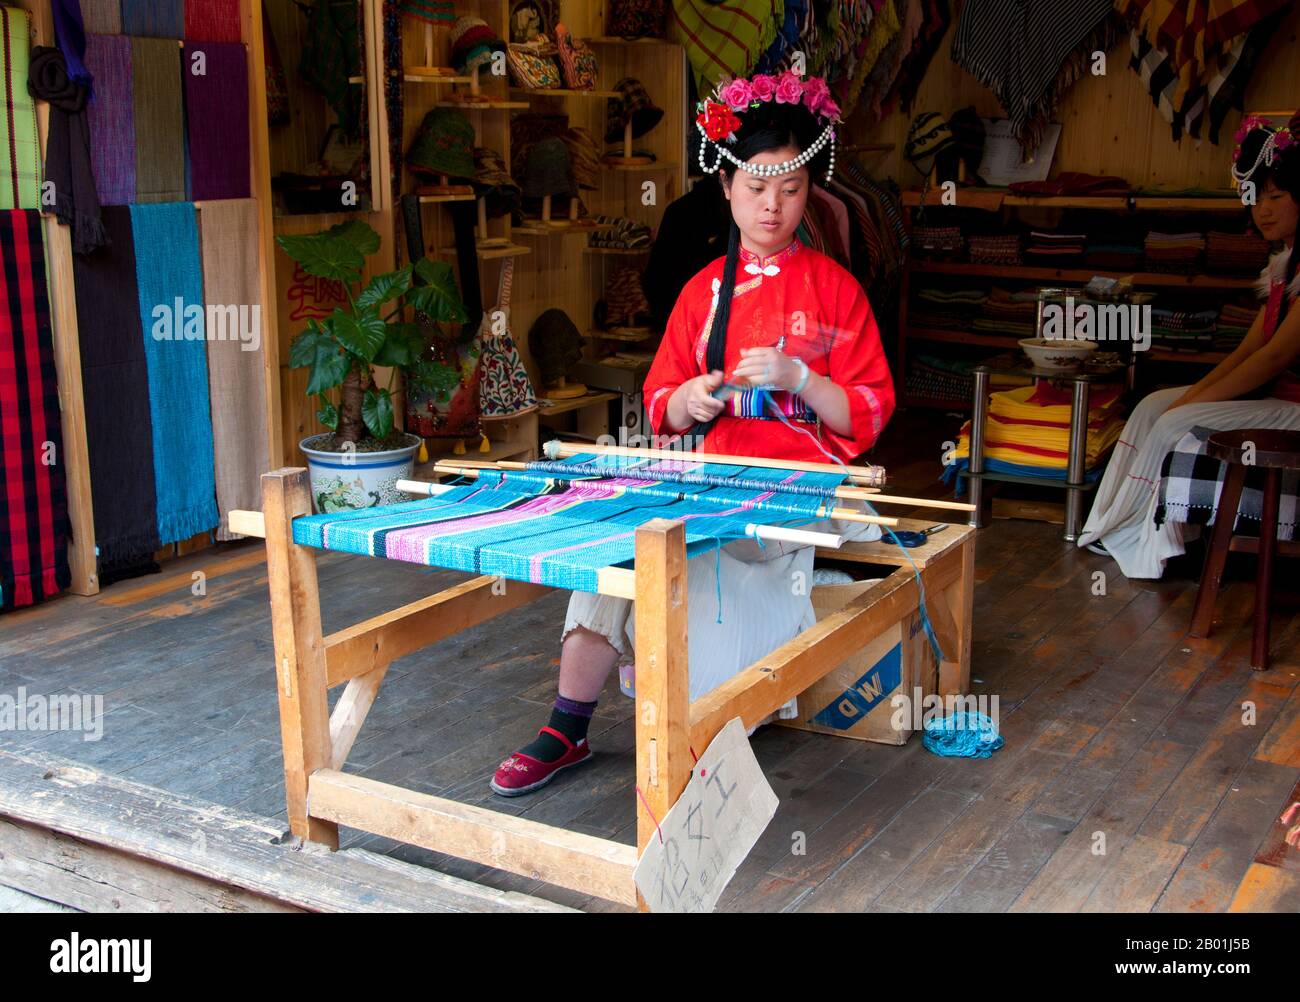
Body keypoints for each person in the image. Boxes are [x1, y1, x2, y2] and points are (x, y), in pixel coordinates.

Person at [490, 72, 896, 796]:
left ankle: (672, 696)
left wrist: (802, 381)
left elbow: (867, 412)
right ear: (729, 190)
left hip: (795, 492)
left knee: (690, 569)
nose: (773, 205)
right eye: (756, 186)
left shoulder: (837, 289)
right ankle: (566, 726)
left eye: (791, 189)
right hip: (710, 480)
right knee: (620, 545)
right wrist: (693, 398)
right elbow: (661, 409)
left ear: (810, 195)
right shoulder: (702, 289)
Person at [1078, 113, 1300, 578]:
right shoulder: (1285, 267)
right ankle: (1104, 525)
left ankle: (1148, 538)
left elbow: (1276, 356)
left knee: (1174, 417)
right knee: (1149, 406)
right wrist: (1192, 391)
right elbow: (1248, 348)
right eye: (1257, 197)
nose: (1264, 209)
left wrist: (1194, 403)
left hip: (1295, 409)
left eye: (1277, 196)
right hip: (1279, 400)